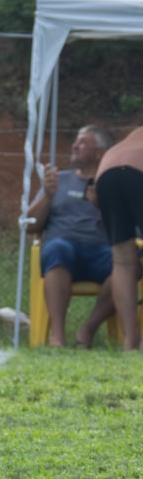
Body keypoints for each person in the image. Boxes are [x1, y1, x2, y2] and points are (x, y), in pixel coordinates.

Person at [26, 125, 116, 347]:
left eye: (83, 142)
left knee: (128, 264)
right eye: (76, 140)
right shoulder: (58, 180)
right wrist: (47, 196)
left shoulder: (112, 184)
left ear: (100, 153)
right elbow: (30, 226)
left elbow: (127, 228)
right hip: (64, 248)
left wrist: (102, 204)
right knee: (59, 249)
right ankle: (57, 336)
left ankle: (86, 331)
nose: (75, 145)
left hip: (102, 252)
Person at [95, 126, 143, 351]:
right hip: (139, 169)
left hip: (107, 170)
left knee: (123, 261)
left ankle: (130, 341)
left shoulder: (134, 134)